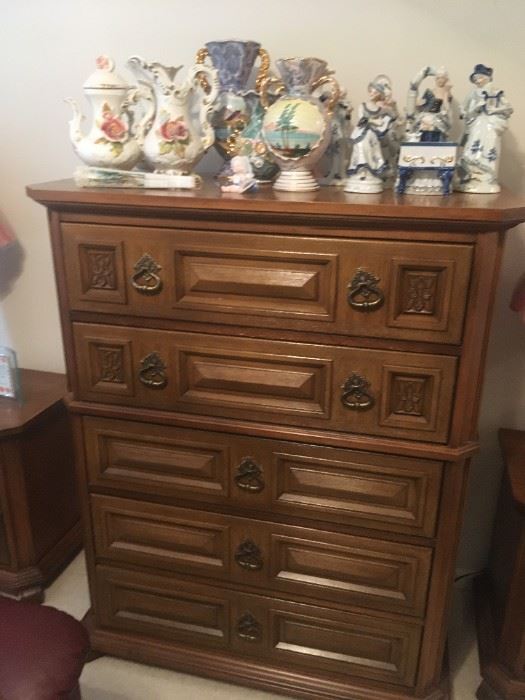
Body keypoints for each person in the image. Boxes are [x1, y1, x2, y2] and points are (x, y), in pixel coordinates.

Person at [456, 64, 513, 193]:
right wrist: (474, 109)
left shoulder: (496, 91)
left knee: (489, 144)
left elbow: (509, 108)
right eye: (475, 78)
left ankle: (487, 177)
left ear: (487, 77)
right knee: (472, 145)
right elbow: (463, 109)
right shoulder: (473, 93)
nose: (477, 81)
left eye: (480, 77)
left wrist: (494, 109)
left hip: (491, 124)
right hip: (477, 122)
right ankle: (472, 176)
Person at [344, 76, 396, 193]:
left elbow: (392, 116)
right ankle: (361, 170)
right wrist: (374, 121)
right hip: (362, 131)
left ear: (379, 94)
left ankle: (369, 171)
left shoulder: (380, 108)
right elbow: (362, 119)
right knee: (361, 144)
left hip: (373, 133)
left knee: (369, 143)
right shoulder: (362, 106)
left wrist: (390, 110)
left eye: (375, 91)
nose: (372, 93)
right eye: (371, 90)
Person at [406, 67, 452, 142]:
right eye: (438, 78)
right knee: (422, 125)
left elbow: (446, 108)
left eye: (442, 78)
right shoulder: (430, 91)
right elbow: (421, 105)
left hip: (438, 118)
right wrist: (418, 103)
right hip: (425, 117)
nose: (440, 80)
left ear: (446, 80)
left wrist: (446, 92)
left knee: (433, 125)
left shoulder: (446, 92)